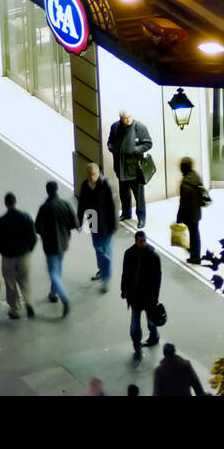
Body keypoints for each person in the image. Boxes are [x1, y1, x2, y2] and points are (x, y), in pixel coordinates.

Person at [0, 192, 37, 319]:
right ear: (15, 202)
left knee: (10, 283)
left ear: (6, 204)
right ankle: (29, 304)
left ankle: (15, 310)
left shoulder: (1, 221)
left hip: (8, 257)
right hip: (24, 255)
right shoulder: (25, 217)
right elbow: (33, 237)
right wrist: (29, 250)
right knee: (24, 280)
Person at [34, 180, 76, 316]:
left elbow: (37, 227)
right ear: (57, 190)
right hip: (63, 243)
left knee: (53, 272)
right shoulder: (65, 204)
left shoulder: (44, 208)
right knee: (57, 268)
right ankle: (53, 293)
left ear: (47, 191)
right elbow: (74, 223)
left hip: (50, 245)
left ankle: (64, 297)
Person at [120, 230, 161, 363]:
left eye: (144, 240)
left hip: (148, 297)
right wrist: (124, 289)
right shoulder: (129, 254)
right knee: (135, 325)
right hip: (135, 296)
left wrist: (155, 297)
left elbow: (157, 278)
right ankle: (137, 345)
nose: (143, 243)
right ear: (136, 241)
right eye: (140, 241)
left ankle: (154, 336)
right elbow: (125, 272)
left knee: (150, 321)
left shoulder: (154, 256)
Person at [107, 110, 152, 227]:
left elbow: (148, 143)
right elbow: (110, 142)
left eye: (129, 117)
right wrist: (113, 149)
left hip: (135, 169)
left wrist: (136, 150)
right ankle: (126, 213)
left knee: (139, 196)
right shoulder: (115, 127)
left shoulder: (139, 128)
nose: (128, 120)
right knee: (124, 194)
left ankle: (141, 218)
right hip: (121, 168)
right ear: (120, 118)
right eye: (125, 118)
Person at [76, 161, 117, 293]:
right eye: (88, 175)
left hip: (106, 223)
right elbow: (81, 204)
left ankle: (106, 278)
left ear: (98, 173)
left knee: (105, 251)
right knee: (97, 248)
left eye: (93, 175)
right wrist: (79, 221)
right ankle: (101, 270)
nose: (91, 178)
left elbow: (114, 206)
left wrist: (114, 225)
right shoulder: (85, 185)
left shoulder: (106, 185)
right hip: (93, 221)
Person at [177, 157, 209, 266]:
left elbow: (183, 203)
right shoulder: (196, 176)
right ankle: (195, 255)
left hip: (189, 214)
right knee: (195, 233)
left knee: (190, 235)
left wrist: (179, 217)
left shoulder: (186, 183)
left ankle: (194, 256)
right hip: (196, 212)